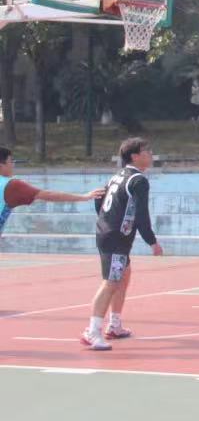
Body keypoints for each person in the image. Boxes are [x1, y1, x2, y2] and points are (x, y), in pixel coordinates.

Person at [81, 138, 164, 351]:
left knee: (123, 276)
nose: (150, 154)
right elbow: (142, 214)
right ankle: (92, 331)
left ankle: (115, 325)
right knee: (111, 282)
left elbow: (99, 198)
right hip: (116, 239)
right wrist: (152, 241)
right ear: (135, 156)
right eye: (147, 151)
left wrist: (106, 220)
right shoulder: (138, 180)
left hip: (111, 234)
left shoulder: (118, 176)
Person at [0, 146, 104, 239]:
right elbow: (49, 195)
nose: (13, 165)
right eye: (10, 162)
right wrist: (84, 197)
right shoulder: (11, 185)